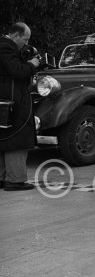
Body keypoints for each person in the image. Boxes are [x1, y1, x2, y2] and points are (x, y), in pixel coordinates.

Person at [0, 22, 41, 191]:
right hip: (13, 101)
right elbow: (16, 71)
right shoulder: (6, 47)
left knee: (4, 138)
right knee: (18, 138)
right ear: (15, 35)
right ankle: (15, 180)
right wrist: (33, 64)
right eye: (25, 39)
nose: (26, 43)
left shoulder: (5, 46)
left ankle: (2, 177)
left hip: (6, 101)